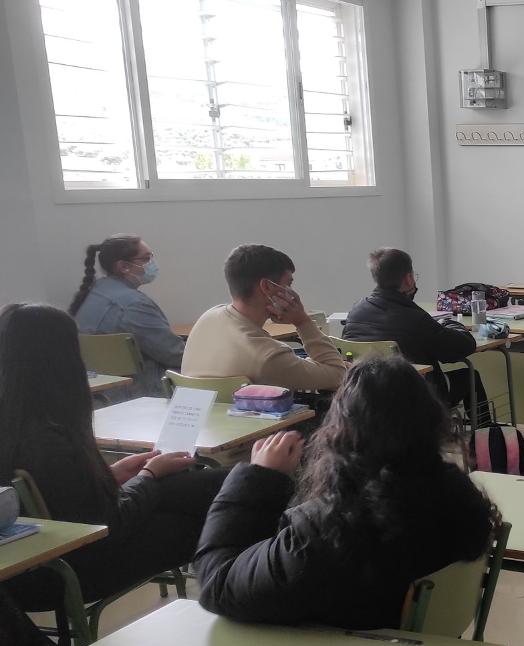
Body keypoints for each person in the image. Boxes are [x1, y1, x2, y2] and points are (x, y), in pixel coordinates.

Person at [195, 356, 500, 627]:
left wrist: (256, 478)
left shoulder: (324, 533)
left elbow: (217, 585)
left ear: (339, 434)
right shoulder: (461, 498)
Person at [0, 304, 228, 610]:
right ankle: (244, 593)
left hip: (34, 564)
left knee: (214, 484)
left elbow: (69, 501)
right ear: (60, 360)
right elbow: (109, 526)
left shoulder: (19, 423)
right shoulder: (48, 440)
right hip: (68, 571)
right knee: (209, 513)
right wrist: (149, 476)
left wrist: (114, 474)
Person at [343, 248, 489, 423]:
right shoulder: (415, 318)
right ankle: (487, 438)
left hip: (367, 396)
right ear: (408, 278)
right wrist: (452, 324)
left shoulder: (356, 311)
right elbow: (463, 347)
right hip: (417, 396)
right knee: (470, 376)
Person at [182, 244, 347, 391]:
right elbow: (338, 375)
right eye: (288, 284)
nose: (291, 291)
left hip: (206, 424)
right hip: (261, 426)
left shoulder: (207, 318)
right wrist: (302, 321)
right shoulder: (268, 358)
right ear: (267, 286)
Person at [69, 235, 185, 398]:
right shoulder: (134, 306)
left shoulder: (95, 292)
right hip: (141, 392)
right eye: (146, 259)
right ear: (124, 266)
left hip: (104, 393)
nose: (152, 263)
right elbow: (176, 355)